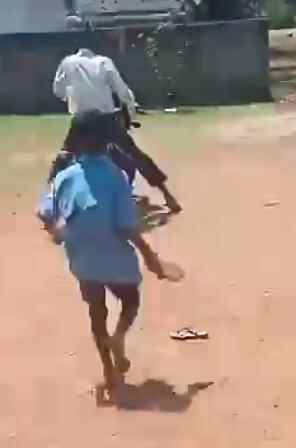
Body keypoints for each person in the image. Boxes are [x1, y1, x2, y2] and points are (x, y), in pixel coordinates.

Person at [38, 110, 167, 388]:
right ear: (108, 140)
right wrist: (149, 256)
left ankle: (108, 369)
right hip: (115, 258)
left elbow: (45, 210)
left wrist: (54, 229)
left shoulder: (64, 176)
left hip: (82, 260)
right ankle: (118, 337)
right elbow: (125, 226)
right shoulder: (115, 175)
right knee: (130, 301)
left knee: (96, 312)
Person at [52, 47, 182, 213]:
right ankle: (167, 196)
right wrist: (131, 115)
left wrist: (72, 96)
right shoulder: (103, 62)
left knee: (65, 154)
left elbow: (58, 91)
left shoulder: (68, 62)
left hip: (82, 119)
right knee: (134, 153)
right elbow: (122, 91)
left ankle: (51, 199)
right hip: (106, 118)